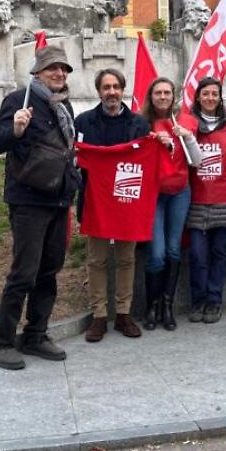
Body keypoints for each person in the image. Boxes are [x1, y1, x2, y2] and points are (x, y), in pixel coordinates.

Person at [0, 43, 79, 370]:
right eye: (53, 68)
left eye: (64, 69)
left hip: (58, 199)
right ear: (37, 72)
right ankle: (4, 341)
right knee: (24, 273)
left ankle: (36, 334)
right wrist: (15, 129)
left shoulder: (64, 107)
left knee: (48, 271)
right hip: (28, 201)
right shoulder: (19, 100)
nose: (59, 73)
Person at [74, 68, 151, 342]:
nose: (111, 92)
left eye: (116, 87)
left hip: (127, 201)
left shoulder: (140, 125)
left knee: (126, 259)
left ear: (123, 90)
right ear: (99, 91)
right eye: (106, 87)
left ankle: (123, 313)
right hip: (95, 202)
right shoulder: (83, 122)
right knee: (96, 259)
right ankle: (98, 316)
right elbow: (77, 161)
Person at [184, 77, 226, 324]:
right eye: (206, 94)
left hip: (225, 202)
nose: (210, 98)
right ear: (198, 97)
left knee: (219, 253)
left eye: (215, 94)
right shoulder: (187, 126)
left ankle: (214, 300)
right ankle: (198, 300)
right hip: (196, 202)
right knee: (198, 256)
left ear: (220, 97)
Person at [139, 77, 200, 331]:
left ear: (173, 96)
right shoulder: (141, 123)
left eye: (167, 92)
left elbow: (196, 162)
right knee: (157, 254)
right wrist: (152, 139)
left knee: (174, 250)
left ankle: (167, 306)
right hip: (153, 194)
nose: (163, 97)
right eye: (158, 93)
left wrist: (187, 138)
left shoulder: (185, 122)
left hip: (179, 192)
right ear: (150, 97)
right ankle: (151, 306)